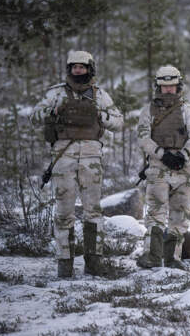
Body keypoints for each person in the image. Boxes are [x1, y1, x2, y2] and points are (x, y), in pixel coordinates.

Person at [30, 50, 123, 278]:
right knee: (64, 212)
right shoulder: (56, 93)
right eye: (74, 67)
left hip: (91, 159)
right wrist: (54, 110)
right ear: (69, 69)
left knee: (93, 211)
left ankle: (94, 261)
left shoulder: (99, 95)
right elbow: (34, 117)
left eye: (82, 67)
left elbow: (119, 122)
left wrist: (101, 116)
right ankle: (65, 264)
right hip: (63, 158)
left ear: (89, 68)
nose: (77, 71)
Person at [136, 65, 190, 270]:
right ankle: (152, 256)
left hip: (182, 168)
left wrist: (183, 155)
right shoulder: (148, 110)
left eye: (172, 86)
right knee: (156, 214)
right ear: (158, 86)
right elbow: (142, 137)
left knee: (180, 214)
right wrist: (162, 155)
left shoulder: (186, 109)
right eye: (164, 86)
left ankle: (173, 258)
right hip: (158, 167)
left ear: (178, 85)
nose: (168, 90)